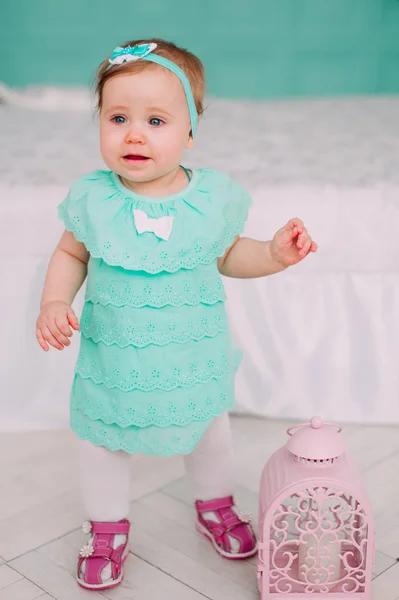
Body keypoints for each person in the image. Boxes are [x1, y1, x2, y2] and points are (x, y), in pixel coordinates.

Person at [36, 38, 317, 591]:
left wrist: (275, 254)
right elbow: (72, 253)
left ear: (190, 130)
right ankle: (107, 526)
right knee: (102, 446)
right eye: (117, 118)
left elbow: (231, 254)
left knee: (210, 436)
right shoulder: (95, 200)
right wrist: (53, 301)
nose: (134, 134)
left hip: (192, 361)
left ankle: (214, 504)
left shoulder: (208, 200)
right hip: (114, 365)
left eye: (156, 120)